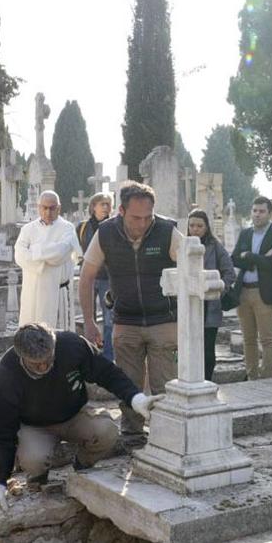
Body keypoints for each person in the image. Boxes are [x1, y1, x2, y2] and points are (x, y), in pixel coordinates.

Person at [0, 322, 159, 508]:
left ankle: (82, 466)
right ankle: (37, 478)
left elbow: (107, 373)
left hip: (72, 416)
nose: (44, 366)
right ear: (22, 357)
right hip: (34, 425)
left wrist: (136, 398)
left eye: (48, 359)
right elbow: (2, 430)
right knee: (33, 459)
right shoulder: (9, 372)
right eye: (36, 364)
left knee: (107, 432)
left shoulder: (71, 345)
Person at [78, 182, 182, 441]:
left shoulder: (167, 231)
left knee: (165, 384)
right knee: (128, 382)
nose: (144, 223)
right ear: (121, 211)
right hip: (125, 319)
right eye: (137, 217)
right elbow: (87, 276)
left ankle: (165, 435)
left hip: (163, 319)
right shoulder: (105, 233)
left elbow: (191, 268)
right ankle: (132, 434)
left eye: (149, 217)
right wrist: (90, 323)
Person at [229, 195, 272, 379]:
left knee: (267, 339)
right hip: (243, 292)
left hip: (265, 293)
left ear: (269, 214)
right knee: (248, 339)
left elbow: (271, 264)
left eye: (262, 211)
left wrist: (249, 256)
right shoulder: (245, 233)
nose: (257, 215)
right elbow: (235, 258)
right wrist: (257, 258)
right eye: (254, 211)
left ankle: (266, 377)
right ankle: (251, 375)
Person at [14, 190, 82, 329]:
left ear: (59, 208)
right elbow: (19, 255)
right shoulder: (28, 229)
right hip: (31, 291)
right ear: (39, 207)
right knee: (30, 334)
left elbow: (61, 252)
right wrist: (44, 259)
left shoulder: (67, 228)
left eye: (52, 208)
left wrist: (34, 251)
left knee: (58, 336)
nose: (48, 212)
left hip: (57, 292)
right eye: (44, 207)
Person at [187, 208, 236, 382]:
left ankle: (206, 380)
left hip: (209, 305)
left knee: (207, 348)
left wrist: (218, 290)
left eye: (199, 225)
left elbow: (229, 273)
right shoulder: (182, 245)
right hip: (187, 304)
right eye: (192, 225)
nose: (195, 229)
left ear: (206, 227)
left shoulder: (215, 246)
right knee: (188, 347)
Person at [77, 192, 115, 360]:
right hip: (89, 278)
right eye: (102, 204)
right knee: (88, 317)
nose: (106, 207)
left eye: (108, 204)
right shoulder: (83, 227)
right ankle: (89, 353)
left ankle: (108, 357)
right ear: (93, 207)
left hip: (108, 279)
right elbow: (78, 249)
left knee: (109, 319)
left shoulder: (114, 227)